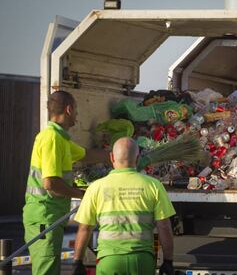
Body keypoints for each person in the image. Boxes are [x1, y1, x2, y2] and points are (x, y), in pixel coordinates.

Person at [23, 90, 108, 275]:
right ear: (69, 109)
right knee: (46, 270)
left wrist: (120, 154)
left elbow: (87, 155)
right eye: (76, 110)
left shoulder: (60, 138)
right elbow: (51, 184)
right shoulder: (52, 138)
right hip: (44, 216)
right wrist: (82, 195)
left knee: (50, 268)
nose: (77, 115)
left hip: (49, 215)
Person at [72, 137, 176, 275]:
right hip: (142, 260)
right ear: (137, 158)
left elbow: (85, 228)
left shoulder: (96, 187)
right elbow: (164, 227)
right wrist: (168, 261)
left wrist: (77, 261)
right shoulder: (153, 186)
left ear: (111, 157)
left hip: (109, 260)